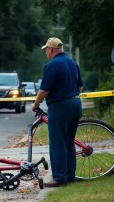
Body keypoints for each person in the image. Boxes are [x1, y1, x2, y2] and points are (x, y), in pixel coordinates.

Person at [31, 37, 83, 187]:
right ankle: (70, 176)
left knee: (57, 142)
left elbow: (44, 90)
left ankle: (59, 178)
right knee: (69, 142)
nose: (46, 52)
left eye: (46, 49)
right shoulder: (72, 63)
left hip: (60, 106)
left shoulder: (52, 65)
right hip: (75, 104)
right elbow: (80, 87)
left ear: (51, 50)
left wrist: (36, 104)